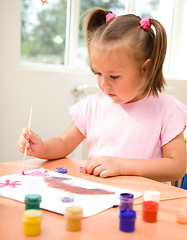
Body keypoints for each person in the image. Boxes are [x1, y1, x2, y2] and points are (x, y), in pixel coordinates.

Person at [18, 8, 187, 182]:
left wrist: (123, 166)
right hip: (101, 197)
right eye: (98, 73)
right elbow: (63, 143)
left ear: (146, 69)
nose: (104, 85)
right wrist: (42, 148)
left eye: (114, 76)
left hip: (145, 204)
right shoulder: (93, 106)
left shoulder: (167, 109)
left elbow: (176, 167)